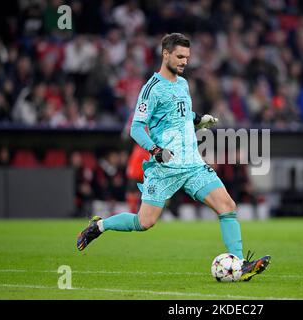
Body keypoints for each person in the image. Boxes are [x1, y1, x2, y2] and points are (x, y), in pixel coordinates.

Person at [76, 33, 271, 281]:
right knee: (144, 222)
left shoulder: (183, 84)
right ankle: (99, 226)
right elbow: (137, 128)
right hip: (165, 167)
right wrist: (155, 151)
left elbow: (181, 113)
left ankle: (240, 264)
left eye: (187, 57)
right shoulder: (151, 89)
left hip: (191, 164)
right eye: (179, 56)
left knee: (227, 206)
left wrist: (199, 119)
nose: (184, 61)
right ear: (165, 54)